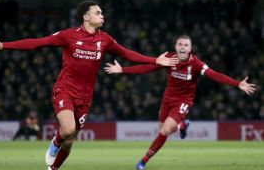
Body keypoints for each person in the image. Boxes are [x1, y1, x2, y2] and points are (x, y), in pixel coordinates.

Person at [0, 0, 179, 170]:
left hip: (85, 97)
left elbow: (127, 54)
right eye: (98, 13)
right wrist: (4, 45)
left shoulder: (105, 39)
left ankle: (52, 168)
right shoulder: (69, 35)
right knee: (66, 131)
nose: (102, 15)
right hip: (64, 89)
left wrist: (155, 61)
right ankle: (55, 143)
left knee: (71, 140)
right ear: (86, 17)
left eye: (102, 13)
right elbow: (38, 42)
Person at [104, 35, 256, 169]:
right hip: (167, 99)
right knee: (162, 130)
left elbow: (214, 75)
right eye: (180, 44)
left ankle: (143, 161)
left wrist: (237, 84)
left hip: (183, 101)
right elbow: (147, 68)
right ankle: (183, 125)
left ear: (190, 49)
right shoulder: (170, 59)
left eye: (186, 45)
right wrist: (123, 70)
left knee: (165, 131)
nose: (182, 47)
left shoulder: (195, 63)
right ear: (176, 47)